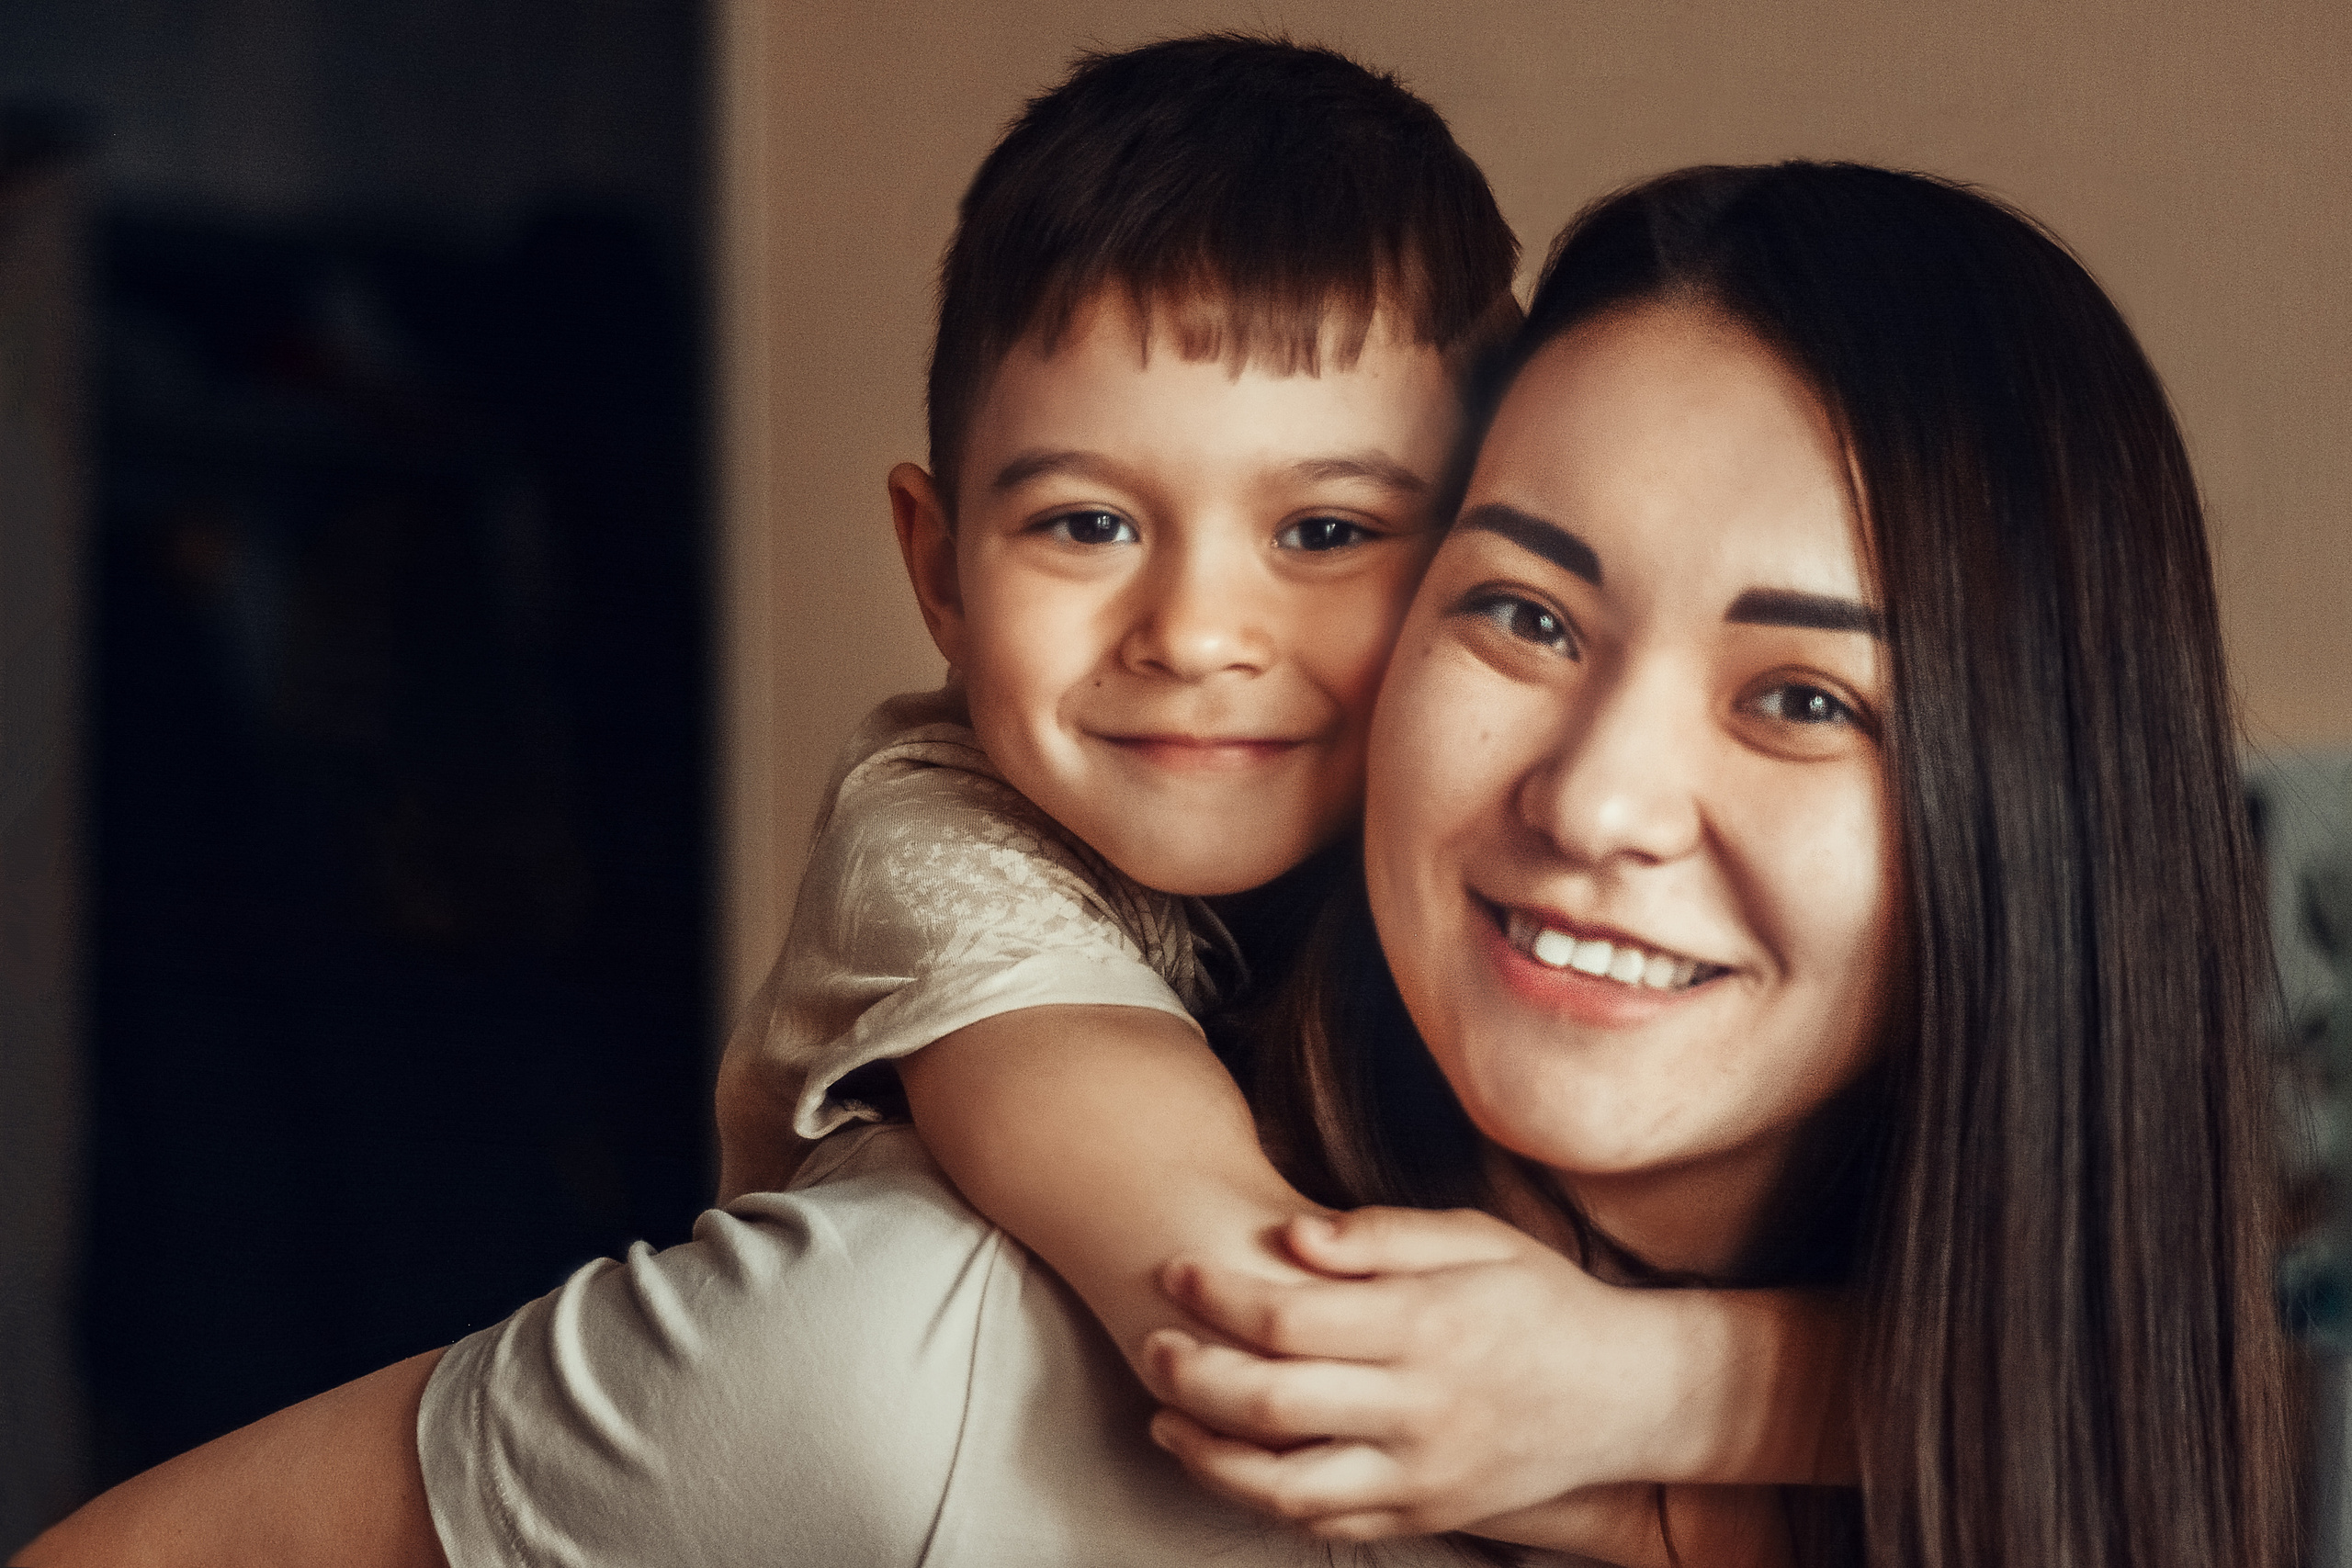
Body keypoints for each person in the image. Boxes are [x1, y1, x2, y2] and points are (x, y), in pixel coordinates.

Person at [18, 161, 2288, 1566]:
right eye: (1520, 611)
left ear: (2041, 822)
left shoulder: (2170, 1446)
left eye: (1800, 695)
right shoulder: (911, 1364)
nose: (1593, 792)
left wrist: (1658, 1387)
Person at [707, 28, 1843, 1522]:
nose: (1193, 635)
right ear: (938, 567)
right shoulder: (938, 841)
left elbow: (2076, 1342)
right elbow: (1269, 1341)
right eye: (1086, 525)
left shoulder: (1483, 856)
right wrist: (1682, 1416)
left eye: (1323, 534)